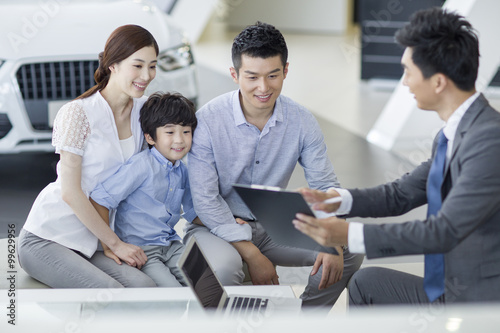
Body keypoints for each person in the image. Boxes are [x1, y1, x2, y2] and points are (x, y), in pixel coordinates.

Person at [294, 7, 500, 305]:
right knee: (365, 283)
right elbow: (402, 193)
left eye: (408, 71)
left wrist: (349, 234)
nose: (404, 82)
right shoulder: (453, 133)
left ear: (439, 82)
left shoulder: (489, 141)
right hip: (450, 284)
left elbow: (444, 231)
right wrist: (339, 200)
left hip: (479, 299)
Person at [186, 21, 363, 308]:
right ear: (234, 74)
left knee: (351, 246)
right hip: (213, 225)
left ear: (286, 71)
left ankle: (304, 320)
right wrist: (253, 255)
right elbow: (205, 200)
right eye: (252, 77)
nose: (263, 87)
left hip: (272, 224)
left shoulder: (302, 121)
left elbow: (326, 186)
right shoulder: (207, 120)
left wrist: (332, 233)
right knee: (225, 269)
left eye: (273, 75)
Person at [18, 25, 159, 288]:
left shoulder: (145, 110)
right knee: (110, 292)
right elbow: (70, 192)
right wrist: (114, 243)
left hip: (96, 239)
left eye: (152, 66)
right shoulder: (78, 113)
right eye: (137, 65)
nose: (146, 75)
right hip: (49, 237)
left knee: (144, 288)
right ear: (113, 64)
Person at [90, 92, 198, 287]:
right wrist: (110, 245)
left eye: (186, 131)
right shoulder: (141, 166)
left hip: (171, 244)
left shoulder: (182, 169)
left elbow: (193, 211)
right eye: (170, 132)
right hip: (143, 250)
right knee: (172, 294)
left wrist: (226, 220)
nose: (180, 140)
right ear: (150, 137)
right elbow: (99, 199)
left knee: (206, 283)